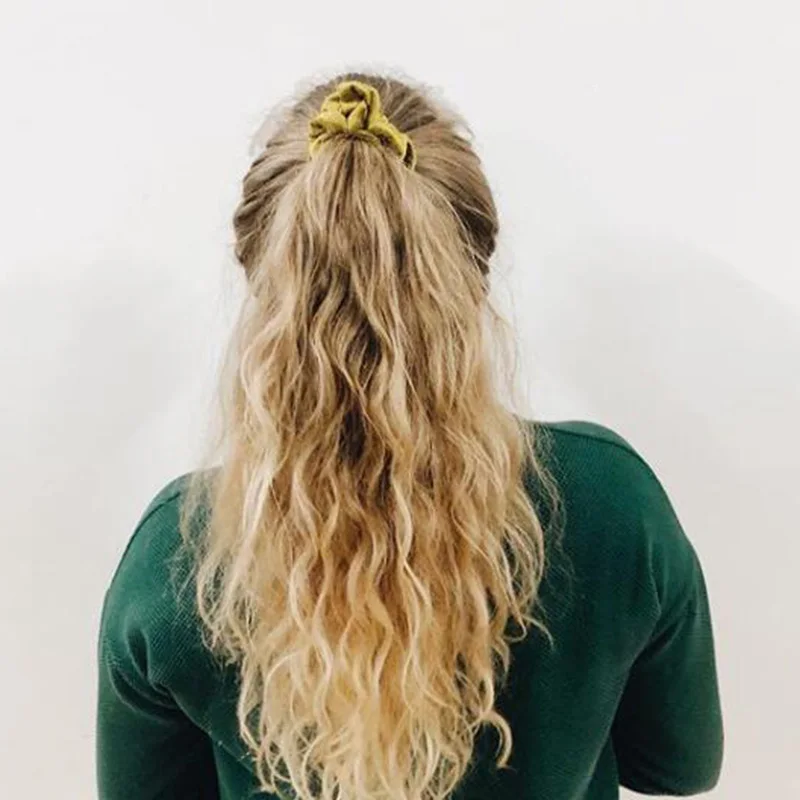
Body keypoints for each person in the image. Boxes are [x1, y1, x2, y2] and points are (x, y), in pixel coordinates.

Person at [96, 74, 724, 800]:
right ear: (473, 273)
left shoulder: (175, 561)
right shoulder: (613, 503)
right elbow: (678, 765)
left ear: (264, 283)